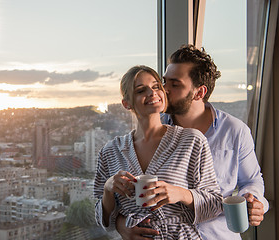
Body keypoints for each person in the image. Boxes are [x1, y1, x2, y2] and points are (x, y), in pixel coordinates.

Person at [115, 45, 269, 240]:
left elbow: (252, 180)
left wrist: (255, 200)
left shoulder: (235, 131)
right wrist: (121, 223)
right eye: (164, 82)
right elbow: (124, 194)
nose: (164, 90)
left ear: (199, 92)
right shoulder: (152, 129)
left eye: (175, 84)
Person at [94, 65, 223, 239]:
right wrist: (109, 189)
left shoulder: (191, 140)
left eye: (156, 87)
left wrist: (181, 193)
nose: (152, 93)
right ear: (127, 104)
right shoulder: (110, 152)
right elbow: (102, 220)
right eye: (141, 90)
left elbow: (215, 205)